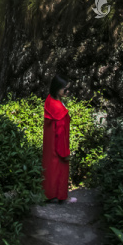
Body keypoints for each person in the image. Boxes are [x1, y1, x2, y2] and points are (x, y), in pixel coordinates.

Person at [42, 74, 71, 203]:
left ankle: (49, 194)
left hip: (49, 146)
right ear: (57, 89)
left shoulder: (50, 101)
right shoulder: (58, 109)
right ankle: (60, 196)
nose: (67, 91)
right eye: (65, 89)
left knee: (50, 170)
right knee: (60, 170)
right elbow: (60, 133)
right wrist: (64, 152)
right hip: (58, 146)